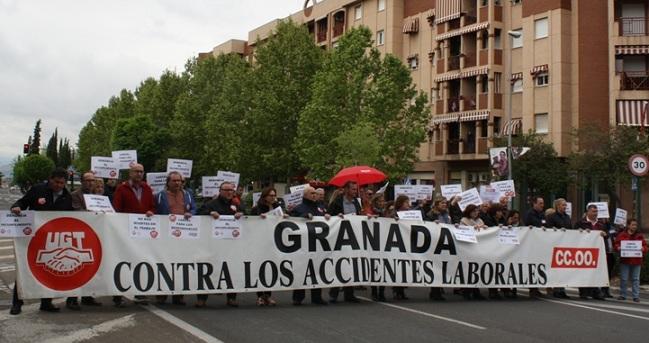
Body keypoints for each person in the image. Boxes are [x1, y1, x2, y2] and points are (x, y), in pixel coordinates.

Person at [9, 168, 73, 314]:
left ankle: (46, 303)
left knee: (49, 270)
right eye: (56, 182)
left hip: (52, 240)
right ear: (50, 179)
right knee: (24, 269)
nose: (59, 185)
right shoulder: (38, 190)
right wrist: (16, 207)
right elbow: (23, 201)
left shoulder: (67, 196)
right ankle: (17, 303)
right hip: (32, 237)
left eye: (62, 183)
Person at [112, 163, 156, 307]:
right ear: (130, 173)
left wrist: (151, 212)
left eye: (141, 172)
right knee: (122, 262)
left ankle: (139, 291)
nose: (139, 174)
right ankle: (117, 295)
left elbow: (152, 207)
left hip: (142, 231)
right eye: (136, 171)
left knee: (140, 261)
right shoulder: (122, 189)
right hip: (125, 231)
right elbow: (116, 209)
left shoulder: (147, 189)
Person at [197, 181, 243, 307]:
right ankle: (202, 298)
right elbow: (198, 214)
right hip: (213, 243)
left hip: (231, 244)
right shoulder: (211, 204)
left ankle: (231, 297)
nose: (229, 192)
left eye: (231, 190)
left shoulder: (236, 204)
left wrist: (242, 214)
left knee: (231, 269)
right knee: (208, 269)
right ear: (220, 191)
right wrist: (209, 213)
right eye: (226, 190)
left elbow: (248, 216)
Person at [154, 171, 196, 306]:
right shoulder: (160, 196)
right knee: (164, 263)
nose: (178, 183)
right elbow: (155, 211)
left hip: (183, 235)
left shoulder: (188, 194)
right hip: (166, 235)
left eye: (179, 181)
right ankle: (162, 293)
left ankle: (179, 294)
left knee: (181, 265)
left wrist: (191, 213)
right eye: (174, 181)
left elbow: (195, 208)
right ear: (168, 182)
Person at [67, 171, 103, 308]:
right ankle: (72, 299)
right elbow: (77, 211)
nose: (91, 183)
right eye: (88, 180)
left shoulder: (97, 196)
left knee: (90, 267)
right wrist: (92, 214)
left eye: (93, 180)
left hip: (94, 235)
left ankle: (88, 296)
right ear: (82, 181)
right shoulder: (75, 195)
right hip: (79, 235)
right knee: (77, 267)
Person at [289, 186, 329, 306]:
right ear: (305, 195)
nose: (314, 195)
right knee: (301, 270)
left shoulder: (320, 207)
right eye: (312, 193)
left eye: (315, 193)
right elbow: (291, 220)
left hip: (317, 244)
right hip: (302, 245)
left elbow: (327, 219)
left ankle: (316, 297)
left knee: (317, 270)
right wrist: (303, 216)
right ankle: (298, 297)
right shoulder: (298, 208)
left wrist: (327, 217)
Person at [327, 181, 361, 303]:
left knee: (351, 264)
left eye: (355, 189)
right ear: (346, 190)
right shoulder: (337, 202)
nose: (355, 191)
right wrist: (337, 216)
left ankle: (349, 294)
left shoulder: (356, 202)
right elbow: (328, 216)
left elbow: (359, 216)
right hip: (339, 237)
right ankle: (334, 293)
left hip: (352, 237)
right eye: (352, 189)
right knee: (338, 264)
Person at [250, 186, 283, 306]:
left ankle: (268, 295)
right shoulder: (256, 209)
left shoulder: (277, 208)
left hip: (273, 242)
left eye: (274, 195)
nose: (273, 198)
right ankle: (259, 296)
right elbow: (251, 223)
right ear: (265, 197)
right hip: (260, 242)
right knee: (260, 268)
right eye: (271, 195)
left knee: (271, 268)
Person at [573, 204, 607, 300]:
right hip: (583, 251)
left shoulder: (601, 224)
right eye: (593, 211)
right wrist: (580, 232)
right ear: (588, 212)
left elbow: (606, 235)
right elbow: (573, 235)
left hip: (597, 252)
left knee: (595, 271)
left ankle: (595, 291)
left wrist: (605, 234)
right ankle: (583, 291)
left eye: (596, 212)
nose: (595, 213)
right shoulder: (580, 223)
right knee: (583, 270)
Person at [543, 198, 571, 299]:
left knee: (563, 268)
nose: (565, 207)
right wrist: (554, 230)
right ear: (558, 206)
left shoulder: (567, 217)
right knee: (555, 268)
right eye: (563, 205)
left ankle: (562, 289)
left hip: (564, 246)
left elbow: (570, 229)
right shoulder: (551, 217)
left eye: (565, 205)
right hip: (554, 246)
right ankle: (555, 289)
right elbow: (547, 230)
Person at [614, 219, 647, 302]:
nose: (634, 227)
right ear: (628, 225)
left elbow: (645, 246)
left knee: (636, 279)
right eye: (633, 225)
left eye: (635, 225)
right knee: (624, 278)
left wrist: (643, 248)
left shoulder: (639, 235)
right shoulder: (622, 235)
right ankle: (623, 294)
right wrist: (618, 248)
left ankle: (636, 296)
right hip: (625, 260)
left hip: (636, 260)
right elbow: (616, 244)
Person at [459, 204, 486, 300]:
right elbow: (462, 232)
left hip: (478, 249)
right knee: (468, 270)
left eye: (477, 211)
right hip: (468, 248)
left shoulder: (480, 221)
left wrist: (485, 228)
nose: (475, 213)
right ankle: (466, 291)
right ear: (469, 212)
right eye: (473, 211)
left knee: (476, 270)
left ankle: (476, 291)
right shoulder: (464, 221)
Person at [425, 198, 449, 301]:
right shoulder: (431, 214)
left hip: (444, 242)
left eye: (445, 203)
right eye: (442, 203)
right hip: (435, 243)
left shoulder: (446, 214)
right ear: (436, 204)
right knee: (436, 267)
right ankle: (434, 291)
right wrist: (432, 223)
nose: (444, 205)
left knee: (442, 267)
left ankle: (438, 289)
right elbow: (426, 225)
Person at [392, 195, 412, 300]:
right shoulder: (394, 213)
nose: (408, 204)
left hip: (407, 242)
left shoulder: (411, 214)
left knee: (405, 267)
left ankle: (401, 290)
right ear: (400, 203)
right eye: (406, 202)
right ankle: (397, 290)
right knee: (398, 267)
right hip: (396, 243)